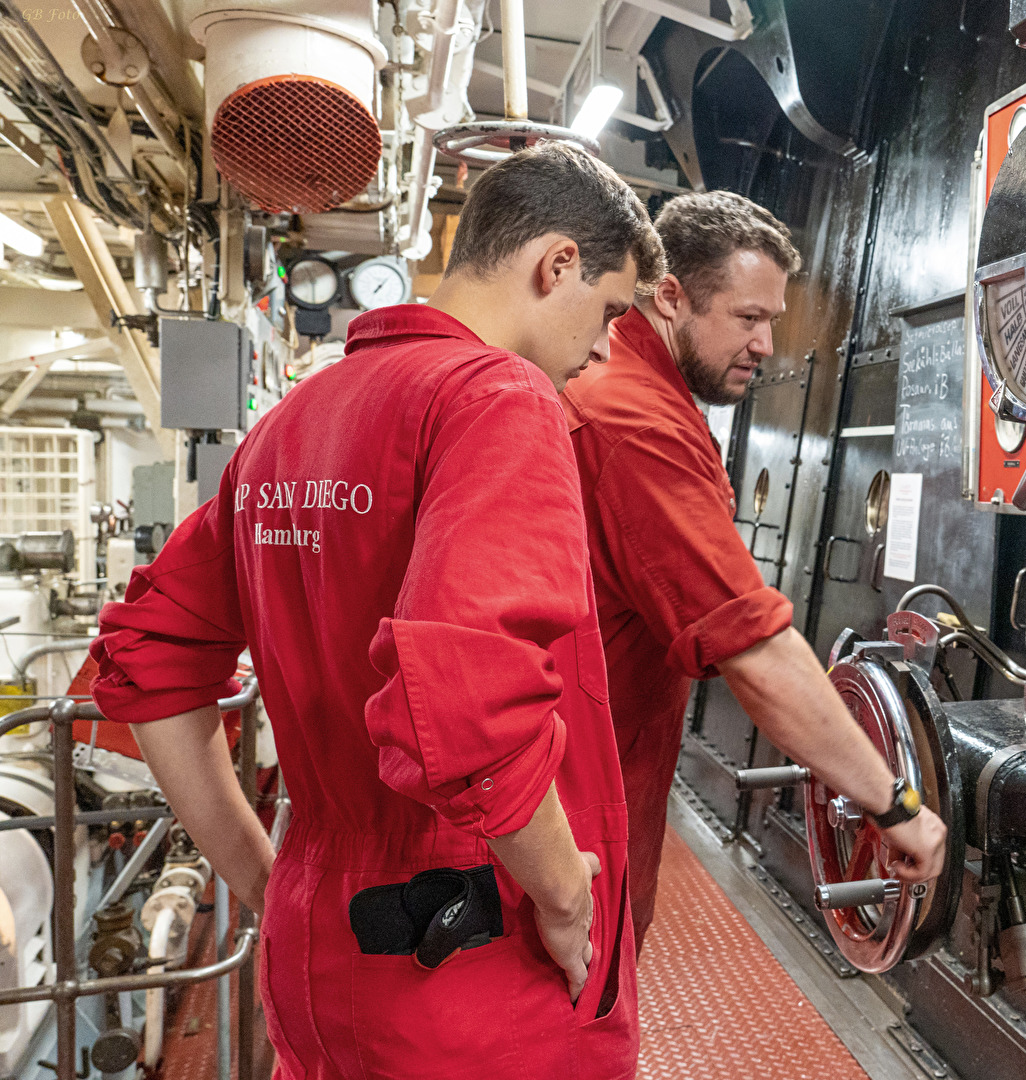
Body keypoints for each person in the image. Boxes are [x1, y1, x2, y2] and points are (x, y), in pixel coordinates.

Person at [88, 143, 663, 1079]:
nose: (605, 349)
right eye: (609, 313)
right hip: (470, 966)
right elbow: (469, 705)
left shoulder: (292, 424)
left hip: (320, 953)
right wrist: (563, 898)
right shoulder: (495, 398)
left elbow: (148, 655)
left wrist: (267, 879)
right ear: (556, 264)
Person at [563, 190, 948, 949]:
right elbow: (753, 649)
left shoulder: (630, 396)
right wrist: (894, 803)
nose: (769, 344)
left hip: (591, 792)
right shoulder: (635, 423)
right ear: (669, 296)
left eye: (772, 319)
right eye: (747, 318)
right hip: (577, 818)